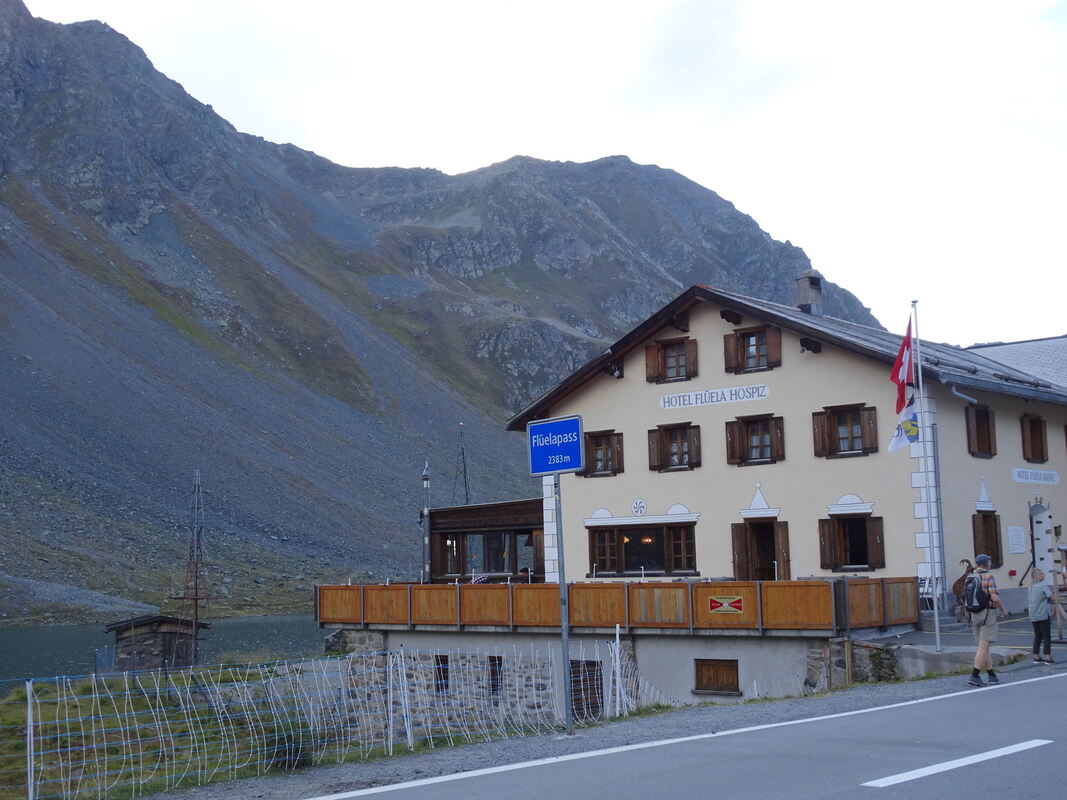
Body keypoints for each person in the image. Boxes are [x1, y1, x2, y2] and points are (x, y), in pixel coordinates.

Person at [968, 553, 1006, 687]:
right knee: (984, 646)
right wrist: (1002, 610)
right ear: (986, 564)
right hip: (987, 613)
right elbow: (994, 597)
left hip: (974, 614)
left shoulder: (971, 576)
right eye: (989, 562)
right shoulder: (987, 576)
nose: (990, 564)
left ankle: (991, 674)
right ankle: (975, 675)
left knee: (984, 646)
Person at [1028, 569, 1055, 664]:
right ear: (1038, 575)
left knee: (1038, 635)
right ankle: (1048, 657)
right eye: (1042, 573)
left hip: (1033, 614)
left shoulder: (1030, 586)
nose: (1044, 575)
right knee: (1046, 636)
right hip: (1042, 613)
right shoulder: (1042, 585)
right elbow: (1052, 597)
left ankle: (1036, 656)